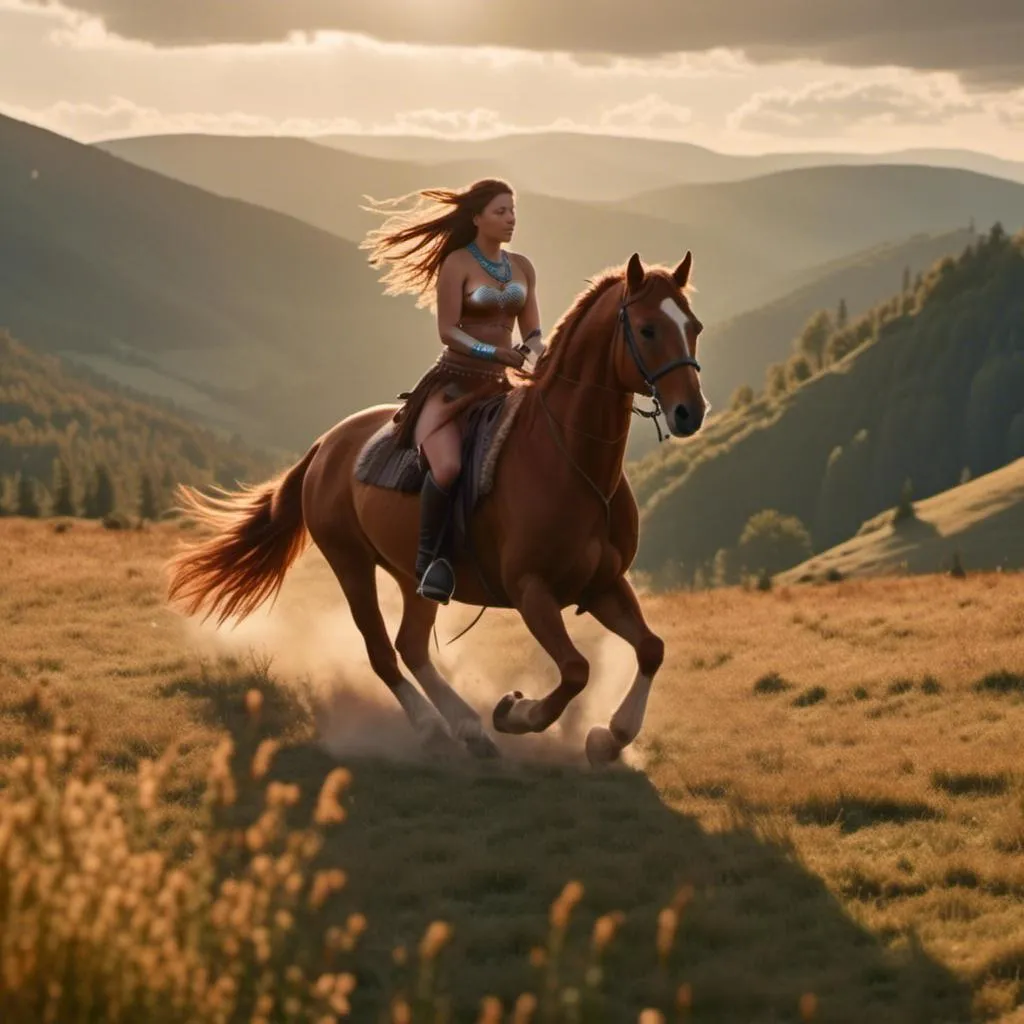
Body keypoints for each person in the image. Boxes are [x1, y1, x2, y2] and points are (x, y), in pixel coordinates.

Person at [360, 178, 544, 604]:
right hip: (454, 384)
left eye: (513, 210)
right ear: (477, 218)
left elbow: (534, 329)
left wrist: (532, 349)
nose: (510, 218)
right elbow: (448, 332)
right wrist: (494, 352)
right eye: (501, 211)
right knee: (446, 468)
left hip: (501, 386)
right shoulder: (458, 264)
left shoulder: (523, 267)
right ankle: (430, 562)